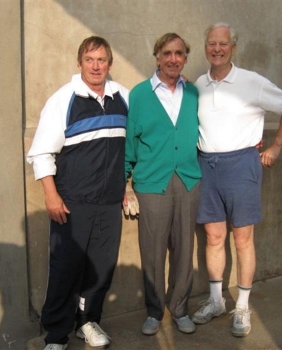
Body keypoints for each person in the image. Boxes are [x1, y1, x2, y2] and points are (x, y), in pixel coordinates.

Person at [191, 23, 282, 337]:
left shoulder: (252, 82)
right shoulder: (199, 84)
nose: (217, 49)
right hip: (206, 166)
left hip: (242, 165)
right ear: (206, 47)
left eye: (223, 44)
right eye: (212, 43)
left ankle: (242, 306)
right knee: (213, 237)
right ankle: (215, 301)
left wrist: (277, 145)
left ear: (233, 48)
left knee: (242, 239)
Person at [27, 36, 129, 350]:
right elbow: (42, 152)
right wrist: (51, 196)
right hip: (72, 203)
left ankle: (87, 323)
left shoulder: (123, 96)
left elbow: (136, 144)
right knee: (65, 270)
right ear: (79, 62)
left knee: (100, 269)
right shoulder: (64, 99)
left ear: (109, 63)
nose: (96, 66)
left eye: (102, 60)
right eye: (90, 59)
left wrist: (127, 187)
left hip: (110, 202)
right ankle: (56, 336)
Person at [124, 33, 201, 335]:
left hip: (187, 180)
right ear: (157, 57)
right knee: (153, 251)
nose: (173, 59)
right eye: (167, 53)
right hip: (151, 184)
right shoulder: (140, 94)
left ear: (185, 58)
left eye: (179, 53)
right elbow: (130, 143)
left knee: (184, 249)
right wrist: (124, 183)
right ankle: (155, 311)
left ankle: (180, 307)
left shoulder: (194, 92)